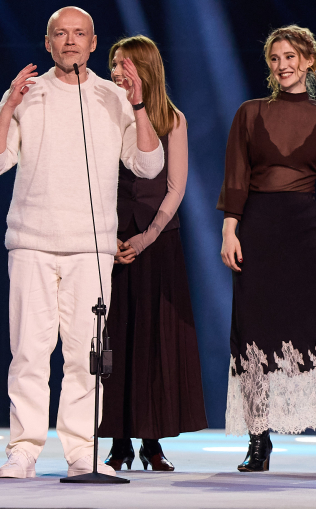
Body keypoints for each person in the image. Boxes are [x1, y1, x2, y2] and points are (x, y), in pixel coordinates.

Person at [0, 7, 164, 479]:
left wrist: (138, 105)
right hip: (32, 242)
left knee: (86, 354)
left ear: (94, 44)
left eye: (79, 34)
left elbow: (149, 165)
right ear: (47, 42)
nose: (71, 41)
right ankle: (24, 449)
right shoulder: (28, 95)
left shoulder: (112, 97)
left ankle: (82, 451)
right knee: (30, 351)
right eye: (61, 33)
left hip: (91, 248)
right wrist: (7, 109)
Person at [218, 25, 316, 474]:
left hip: (303, 230)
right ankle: (259, 442)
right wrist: (229, 230)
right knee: (254, 331)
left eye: (291, 56)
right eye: (275, 58)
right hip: (256, 231)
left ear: (310, 61)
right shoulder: (249, 113)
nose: (283, 65)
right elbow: (236, 177)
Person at [99, 36, 208, 472]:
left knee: (152, 339)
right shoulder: (102, 112)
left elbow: (175, 186)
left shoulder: (171, 118)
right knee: (113, 339)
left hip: (155, 240)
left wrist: (147, 236)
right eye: (113, 65)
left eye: (125, 65)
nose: (117, 73)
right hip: (109, 238)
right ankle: (118, 441)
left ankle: (152, 440)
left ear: (145, 69)